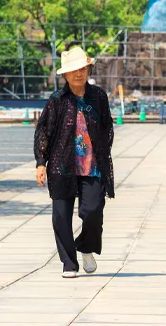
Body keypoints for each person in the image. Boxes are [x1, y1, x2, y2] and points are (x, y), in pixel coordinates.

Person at [34, 46, 115, 279]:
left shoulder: (98, 96)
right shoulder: (57, 100)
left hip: (92, 166)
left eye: (82, 69)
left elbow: (107, 128)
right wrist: (41, 162)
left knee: (93, 212)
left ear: (88, 70)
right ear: (65, 75)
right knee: (61, 216)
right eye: (73, 70)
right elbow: (44, 133)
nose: (79, 74)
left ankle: (86, 247)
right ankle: (69, 263)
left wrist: (101, 152)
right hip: (62, 166)